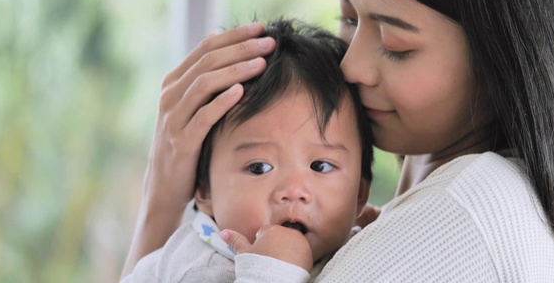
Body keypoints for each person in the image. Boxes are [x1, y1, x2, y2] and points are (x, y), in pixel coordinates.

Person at [122, 0, 554, 281]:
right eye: (349, 18)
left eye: (397, 45)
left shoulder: (465, 213)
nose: (350, 66)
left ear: (505, 60)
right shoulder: (396, 217)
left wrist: (164, 202)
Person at [121, 19, 374, 282]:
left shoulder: (364, 254)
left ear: (360, 192)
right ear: (206, 190)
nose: (293, 191)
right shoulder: (195, 268)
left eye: (320, 166)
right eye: (258, 167)